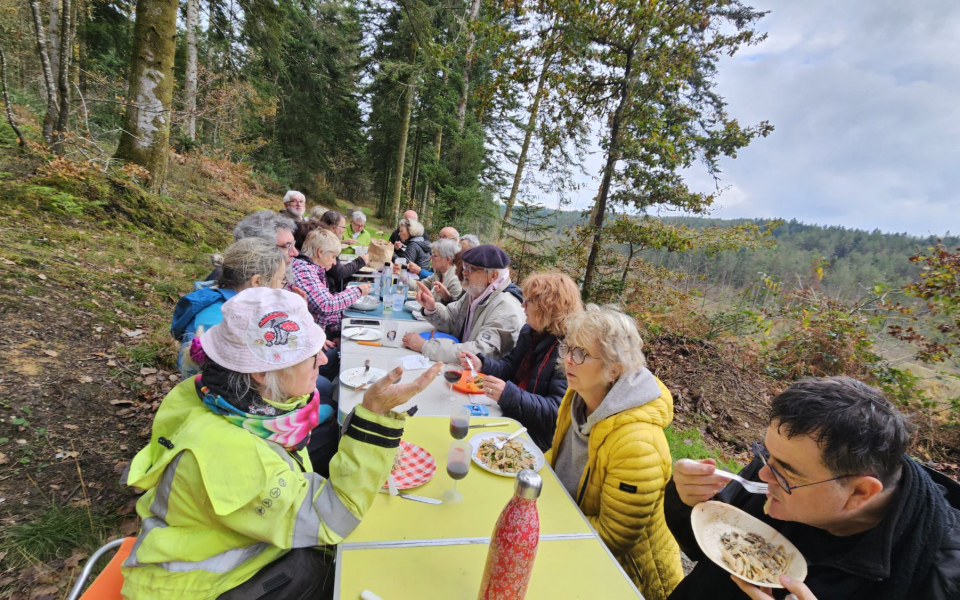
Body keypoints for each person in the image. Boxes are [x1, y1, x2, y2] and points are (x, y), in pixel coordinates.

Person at [122, 287, 443, 599]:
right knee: (343, 571)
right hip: (203, 587)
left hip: (225, 548)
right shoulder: (231, 452)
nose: (322, 358)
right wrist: (372, 417)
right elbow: (333, 518)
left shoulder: (220, 398)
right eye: (309, 354)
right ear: (262, 372)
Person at [666, 377, 960, 600]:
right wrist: (689, 500)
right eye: (766, 454)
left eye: (785, 472)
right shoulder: (775, 471)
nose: (763, 473)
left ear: (859, 493)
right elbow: (703, 550)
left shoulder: (941, 577)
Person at [546, 304, 683, 600]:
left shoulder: (637, 444)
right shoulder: (579, 397)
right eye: (568, 348)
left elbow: (613, 538)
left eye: (581, 353)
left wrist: (545, 519)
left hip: (623, 578)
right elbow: (562, 460)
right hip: (572, 539)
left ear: (614, 368)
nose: (568, 359)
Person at [459, 272, 582, 451]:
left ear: (547, 307)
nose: (523, 305)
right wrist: (483, 364)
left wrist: (509, 394)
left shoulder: (568, 351)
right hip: (511, 415)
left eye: (529, 301)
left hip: (532, 437)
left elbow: (556, 412)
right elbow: (511, 367)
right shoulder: (530, 331)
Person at [172, 238, 287, 379]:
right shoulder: (220, 321)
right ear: (257, 281)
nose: (283, 287)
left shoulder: (237, 306)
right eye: (281, 280)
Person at [402, 244, 523, 364]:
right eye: (465, 266)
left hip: (480, 379)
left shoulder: (506, 308)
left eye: (471, 269)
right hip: (462, 368)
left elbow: (481, 351)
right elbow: (452, 319)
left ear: (492, 276)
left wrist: (426, 347)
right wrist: (432, 308)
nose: (464, 272)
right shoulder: (477, 291)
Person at [208, 210, 299, 281]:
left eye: (293, 244)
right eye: (287, 246)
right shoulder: (234, 289)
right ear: (258, 250)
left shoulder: (277, 281)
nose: (295, 253)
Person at [314, 211, 369, 293]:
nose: (344, 230)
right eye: (343, 227)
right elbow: (338, 273)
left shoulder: (320, 238)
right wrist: (360, 261)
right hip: (323, 292)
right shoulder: (327, 243)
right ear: (333, 228)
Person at [409, 238, 462, 303]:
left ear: (447, 260)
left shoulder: (455, 281)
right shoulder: (439, 273)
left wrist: (446, 298)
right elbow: (420, 286)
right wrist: (402, 275)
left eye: (435, 255)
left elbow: (452, 310)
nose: (430, 257)